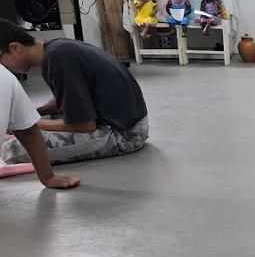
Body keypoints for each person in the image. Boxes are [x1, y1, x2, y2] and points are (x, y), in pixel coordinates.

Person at [0, 21, 148, 166]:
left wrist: (29, 125)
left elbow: (84, 125)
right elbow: (71, 97)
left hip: (124, 136)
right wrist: (36, 113)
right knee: (36, 121)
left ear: (15, 48)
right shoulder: (57, 47)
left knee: (10, 149)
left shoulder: (57, 59)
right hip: (131, 124)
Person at [1, 63, 79, 188]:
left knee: (10, 149)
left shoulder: (6, 77)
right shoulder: (6, 76)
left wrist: (48, 177)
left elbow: (28, 131)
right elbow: (28, 131)